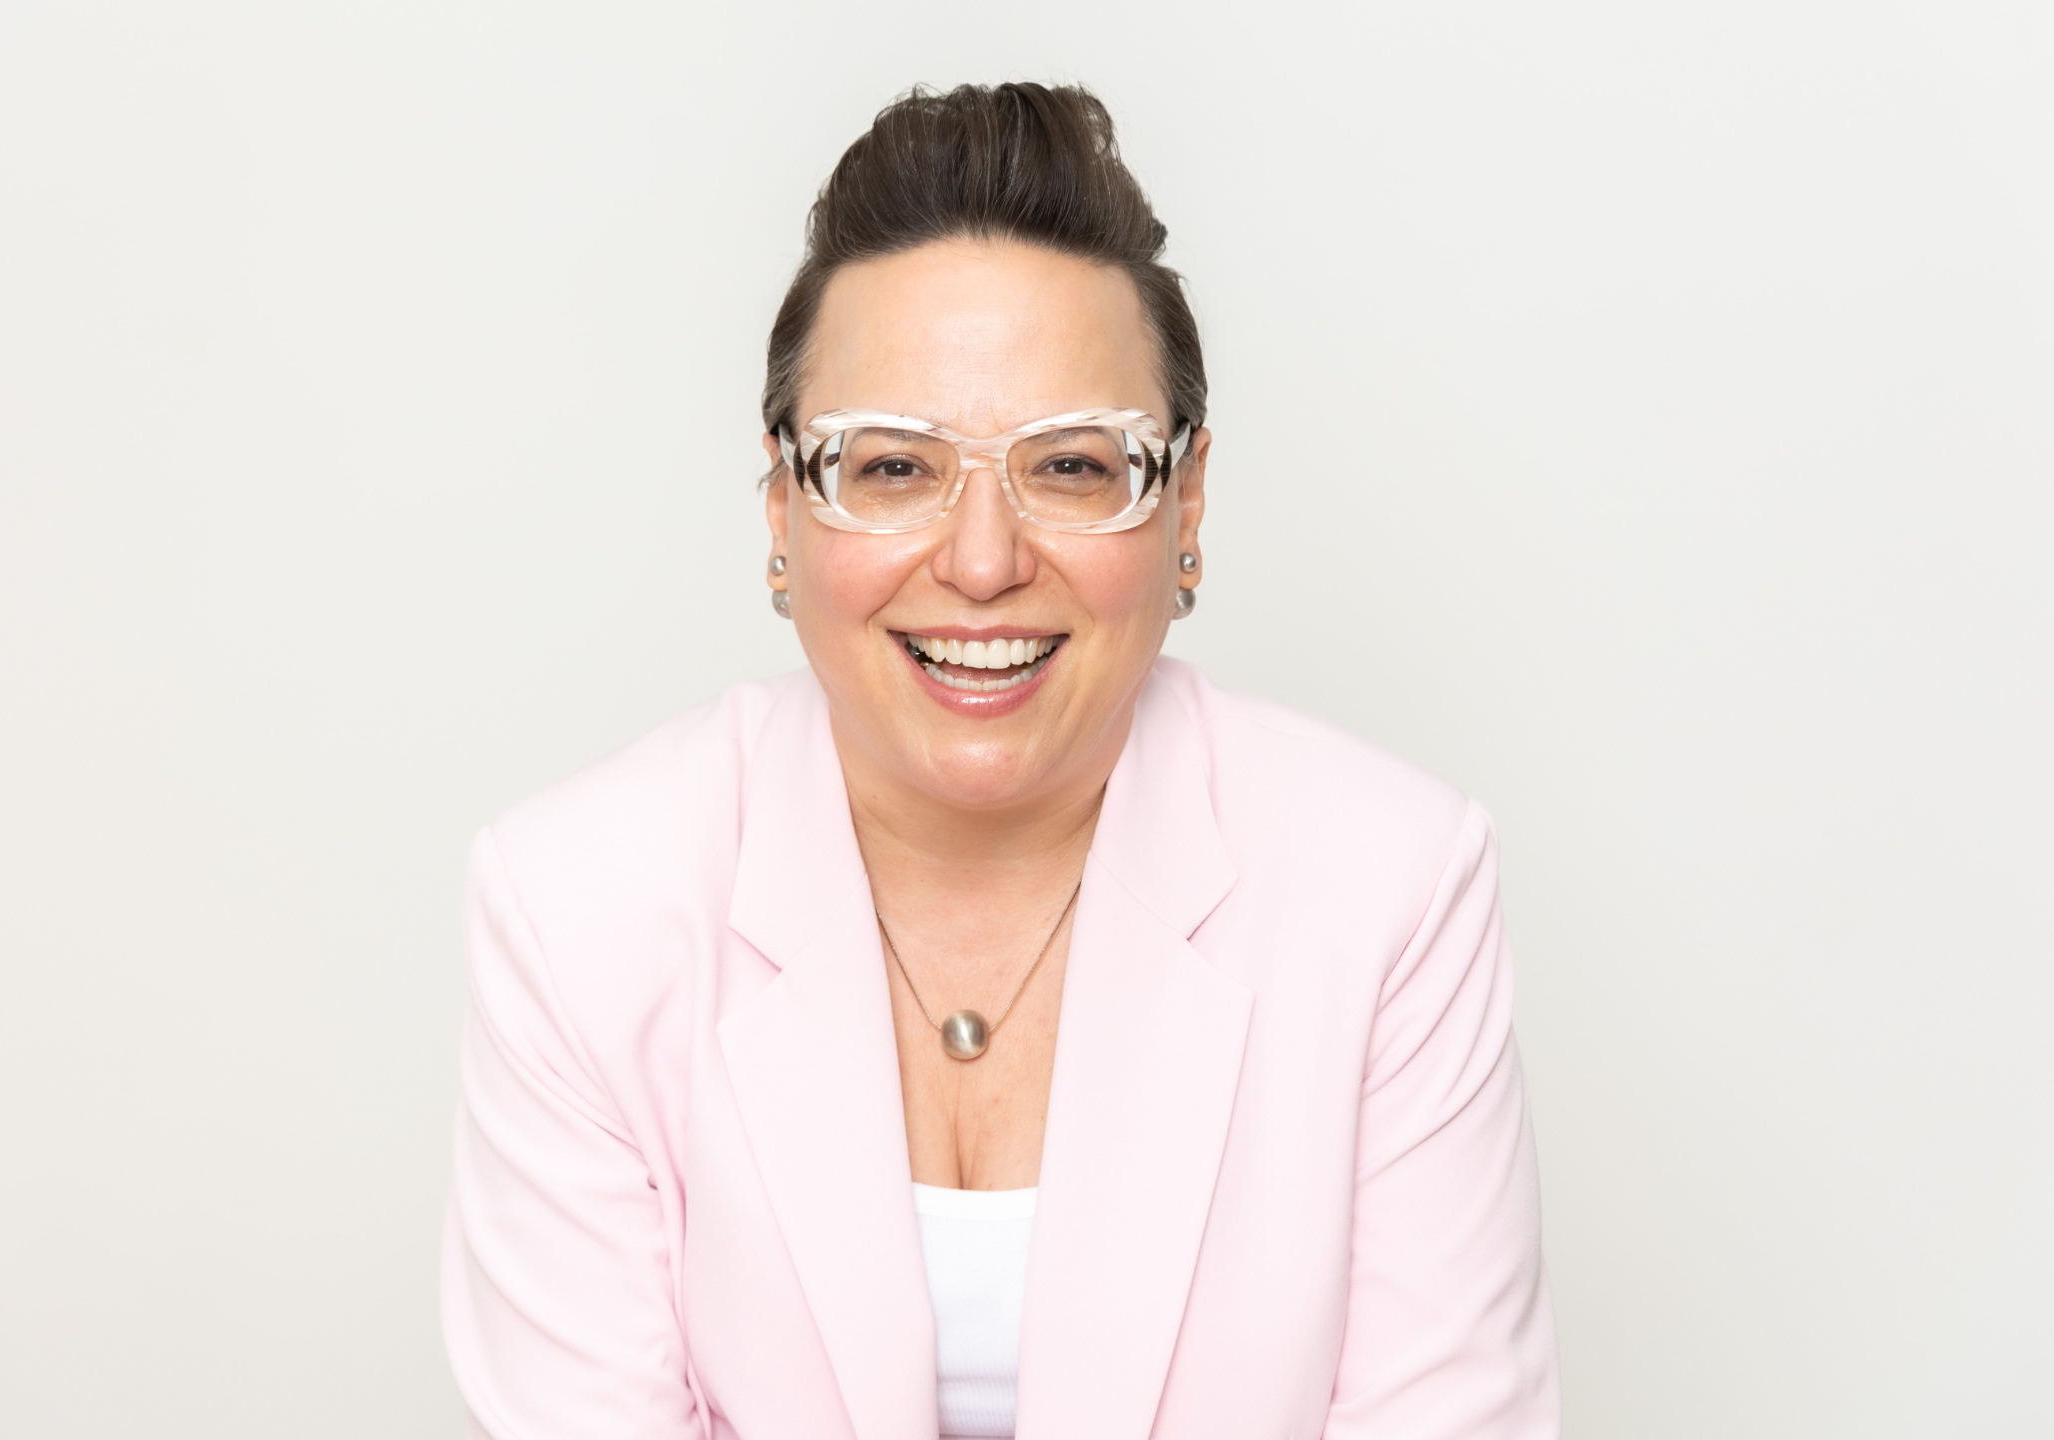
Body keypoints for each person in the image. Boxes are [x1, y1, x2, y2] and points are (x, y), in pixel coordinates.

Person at [441, 82, 1559, 1440]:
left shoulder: (1393, 888)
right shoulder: (576, 906)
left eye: (1074, 467)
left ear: (1186, 503)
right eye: (893, 469)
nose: (982, 563)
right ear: (785, 507)